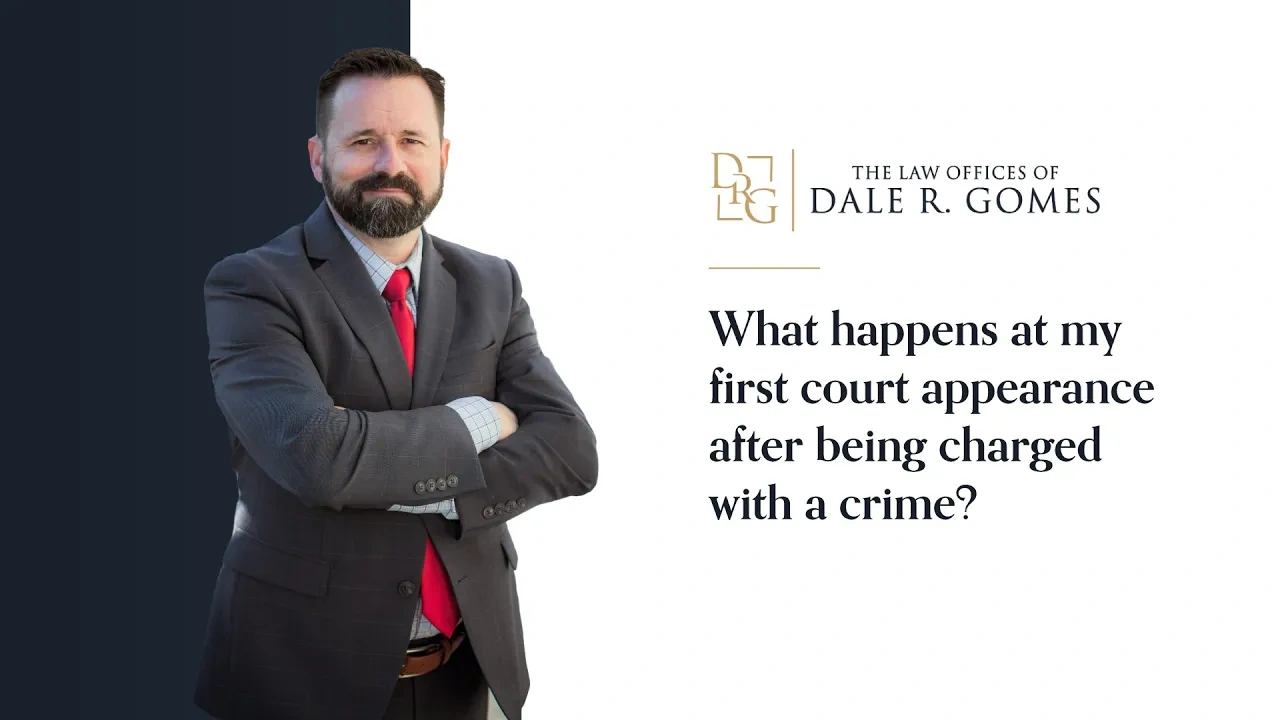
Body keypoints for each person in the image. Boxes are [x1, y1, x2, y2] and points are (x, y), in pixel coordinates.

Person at [193, 47, 598, 720]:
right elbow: (318, 458)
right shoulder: (253, 285)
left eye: (411, 140)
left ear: (442, 155)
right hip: (301, 677)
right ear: (318, 157)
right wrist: (483, 420)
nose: (391, 163)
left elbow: (572, 452)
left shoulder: (491, 283)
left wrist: (397, 473)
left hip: (468, 670)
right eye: (362, 141)